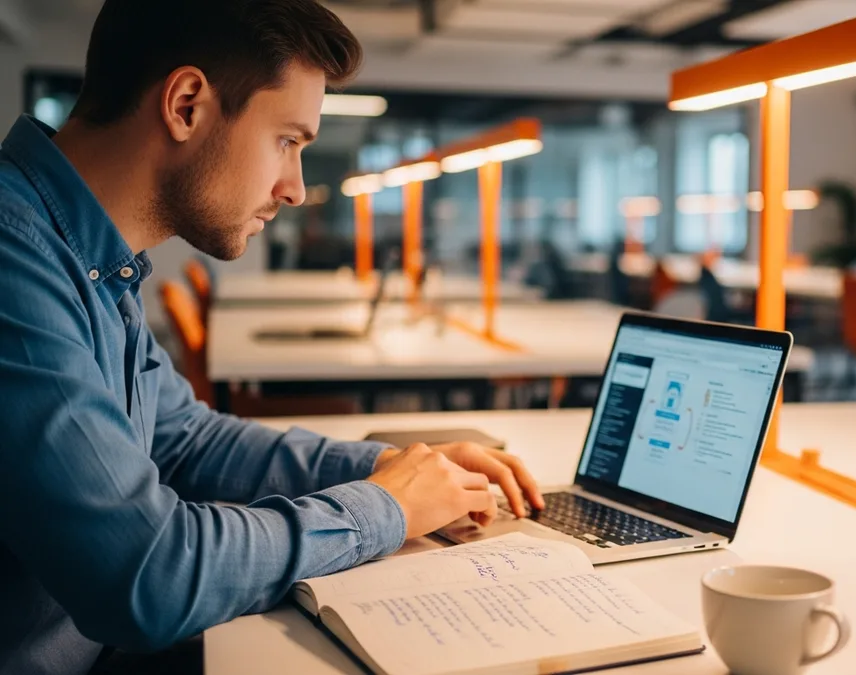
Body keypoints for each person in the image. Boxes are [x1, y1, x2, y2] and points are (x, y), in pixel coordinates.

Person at [0, 1, 545, 674]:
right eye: (287, 140)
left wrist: (392, 468)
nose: (294, 189)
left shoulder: (84, 256)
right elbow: (144, 576)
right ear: (187, 104)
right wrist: (385, 509)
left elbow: (187, 439)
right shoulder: (13, 259)